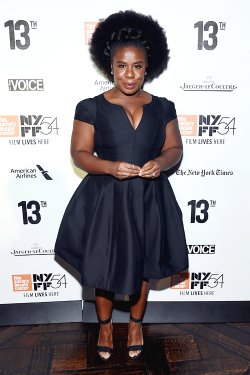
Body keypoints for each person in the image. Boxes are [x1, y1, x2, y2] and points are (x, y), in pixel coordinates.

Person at [55, 10, 188, 361]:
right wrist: (110, 167)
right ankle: (103, 326)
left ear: (148, 66)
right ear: (109, 66)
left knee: (144, 265)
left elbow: (175, 148)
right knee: (103, 267)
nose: (130, 75)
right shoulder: (90, 107)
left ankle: (135, 324)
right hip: (106, 198)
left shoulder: (164, 107)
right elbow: (80, 153)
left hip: (149, 197)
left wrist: (160, 163)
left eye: (138, 67)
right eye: (122, 66)